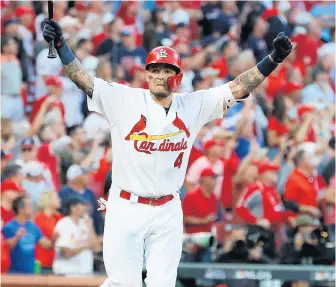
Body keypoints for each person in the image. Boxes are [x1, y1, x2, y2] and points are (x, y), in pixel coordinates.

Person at [43, 18, 293, 286]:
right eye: (155, 70)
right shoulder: (124, 99)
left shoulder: (193, 105)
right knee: (123, 283)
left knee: (163, 283)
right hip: (126, 205)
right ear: (146, 73)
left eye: (167, 70)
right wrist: (61, 45)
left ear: (178, 77)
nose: (160, 76)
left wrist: (272, 60)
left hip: (168, 208)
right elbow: (84, 79)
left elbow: (237, 87)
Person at [2, 195, 55, 274]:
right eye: (29, 206)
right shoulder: (8, 227)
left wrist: (55, 239)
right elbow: (7, 247)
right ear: (21, 209)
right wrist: (17, 236)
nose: (31, 209)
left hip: (30, 274)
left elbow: (46, 245)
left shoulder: (33, 227)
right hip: (13, 274)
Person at [53, 197, 100, 275]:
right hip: (66, 273)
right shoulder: (63, 224)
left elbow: (96, 248)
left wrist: (90, 227)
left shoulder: (85, 223)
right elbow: (65, 252)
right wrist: (85, 247)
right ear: (73, 208)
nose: (85, 208)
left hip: (85, 274)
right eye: (82, 205)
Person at [34, 190, 62, 273]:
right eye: (56, 197)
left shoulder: (59, 217)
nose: (59, 200)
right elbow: (43, 243)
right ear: (48, 200)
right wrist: (54, 239)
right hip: (43, 262)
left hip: (56, 262)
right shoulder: (39, 218)